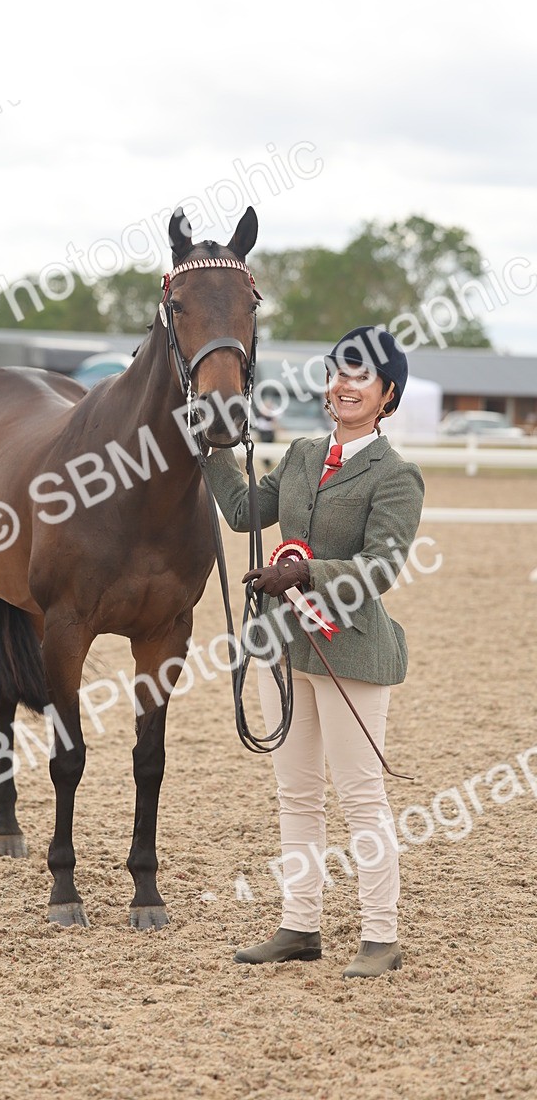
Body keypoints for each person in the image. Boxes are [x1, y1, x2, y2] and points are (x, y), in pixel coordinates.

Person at [206, 325, 425, 979]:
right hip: (283, 646)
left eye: (360, 375)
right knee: (296, 794)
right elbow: (246, 511)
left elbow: (380, 568)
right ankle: (300, 926)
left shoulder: (396, 475)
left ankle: (380, 937)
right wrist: (212, 446)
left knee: (360, 795)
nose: (344, 385)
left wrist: (303, 574)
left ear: (387, 394)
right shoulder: (302, 453)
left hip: (350, 650)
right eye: (337, 372)